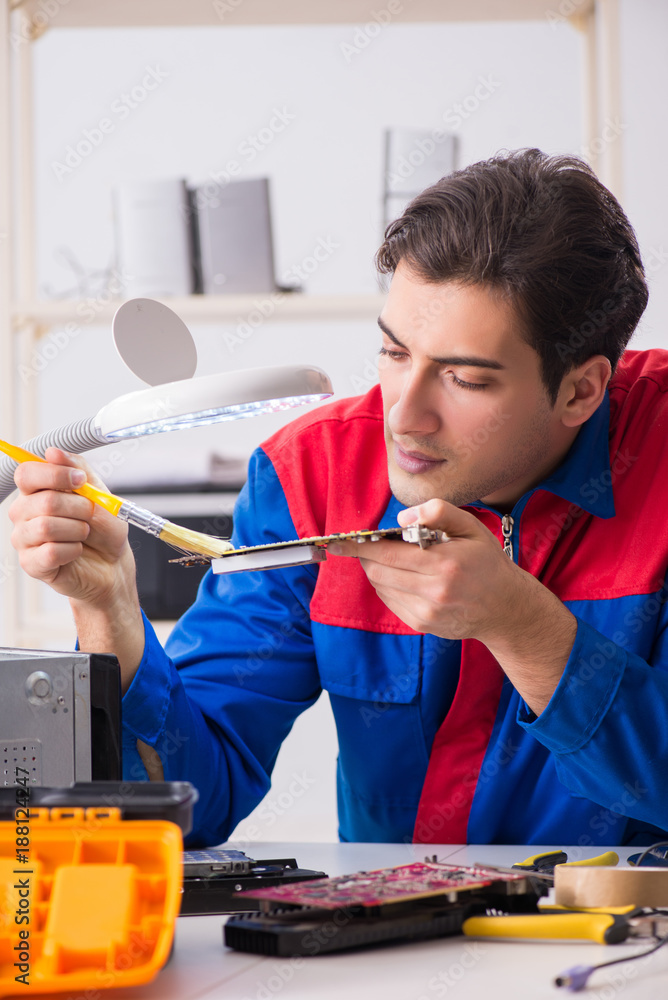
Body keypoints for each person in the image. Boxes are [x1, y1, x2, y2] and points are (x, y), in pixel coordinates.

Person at [9, 148, 668, 847]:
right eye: (394, 352)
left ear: (581, 390)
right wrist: (109, 611)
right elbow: (196, 803)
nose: (404, 416)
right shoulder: (310, 479)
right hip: (394, 940)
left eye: (465, 380)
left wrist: (527, 631)